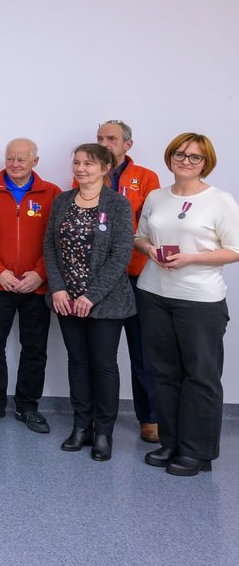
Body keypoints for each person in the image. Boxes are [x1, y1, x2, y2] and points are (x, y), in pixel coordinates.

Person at [134, 133, 239, 476]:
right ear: (170, 158)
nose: (186, 161)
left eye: (195, 157)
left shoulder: (220, 201)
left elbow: (235, 250)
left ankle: (197, 452)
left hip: (199, 299)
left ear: (205, 163)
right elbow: (140, 236)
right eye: (180, 154)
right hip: (154, 293)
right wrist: (150, 250)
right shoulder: (156, 196)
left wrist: (190, 258)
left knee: (201, 376)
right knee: (163, 371)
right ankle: (171, 442)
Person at [43, 143, 135, 461]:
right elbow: (49, 248)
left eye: (89, 163)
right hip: (66, 300)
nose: (81, 168)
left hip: (106, 302)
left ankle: (104, 433)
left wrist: (90, 296)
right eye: (78, 162)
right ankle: (81, 426)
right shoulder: (63, 201)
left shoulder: (118, 205)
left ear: (105, 167)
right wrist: (57, 289)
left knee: (104, 365)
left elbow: (121, 255)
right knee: (77, 363)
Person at [0, 138, 61, 433]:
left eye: (21, 159)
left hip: (35, 286)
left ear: (35, 161)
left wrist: (40, 274)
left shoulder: (51, 193)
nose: (14, 164)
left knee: (34, 347)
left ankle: (28, 405)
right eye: (10, 158)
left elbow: (56, 240)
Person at [96, 119, 161, 442]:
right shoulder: (90, 172)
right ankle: (98, 416)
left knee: (142, 351)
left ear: (127, 145)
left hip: (137, 276)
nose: (105, 143)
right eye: (100, 138)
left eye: (112, 138)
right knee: (101, 354)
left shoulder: (147, 179)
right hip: (101, 279)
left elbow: (150, 227)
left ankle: (149, 418)